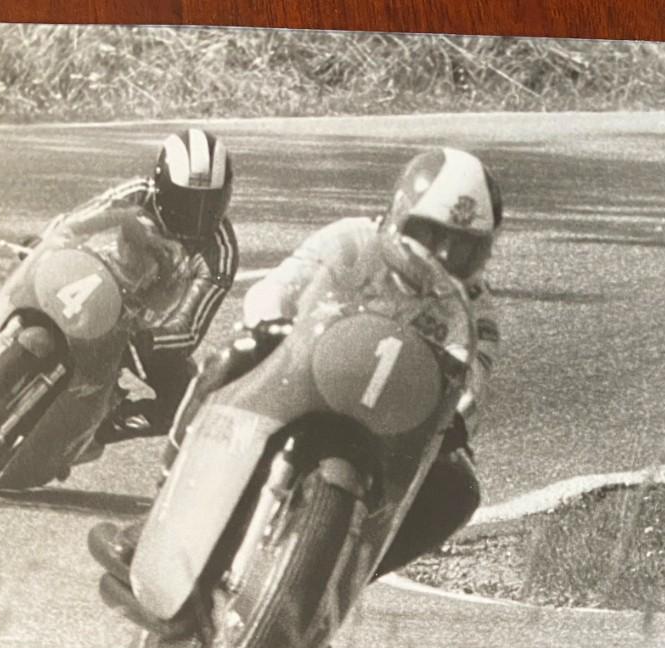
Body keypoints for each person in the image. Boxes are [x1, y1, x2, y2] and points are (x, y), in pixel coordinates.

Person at [89, 146, 503, 585]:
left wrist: (460, 412)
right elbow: (279, 288)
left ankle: (342, 581)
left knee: (459, 489)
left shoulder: (475, 308)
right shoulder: (350, 240)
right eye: (431, 234)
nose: (441, 254)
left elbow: (474, 375)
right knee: (232, 359)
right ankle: (161, 516)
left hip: (390, 423)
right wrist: (273, 326)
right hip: (311, 377)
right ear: (400, 214)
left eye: (463, 248)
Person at [0, 127, 239, 446]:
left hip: (141, 326)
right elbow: (73, 224)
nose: (196, 216)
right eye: (186, 201)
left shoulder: (221, 250)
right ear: (162, 185)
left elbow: (189, 327)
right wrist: (46, 247)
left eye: (209, 203)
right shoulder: (139, 193)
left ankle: (99, 428)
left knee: (187, 403)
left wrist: (147, 339)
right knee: (27, 260)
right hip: (101, 277)